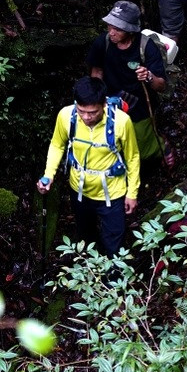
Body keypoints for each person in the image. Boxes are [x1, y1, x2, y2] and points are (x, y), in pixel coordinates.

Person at [37, 76, 140, 258]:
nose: (86, 117)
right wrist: (49, 175)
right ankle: (91, 274)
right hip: (79, 189)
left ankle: (114, 280)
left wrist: (132, 193)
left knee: (114, 241)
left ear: (104, 104)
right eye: (82, 111)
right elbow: (57, 145)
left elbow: (132, 157)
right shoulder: (66, 116)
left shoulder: (121, 122)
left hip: (113, 192)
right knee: (86, 236)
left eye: (92, 112)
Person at [87, 0, 175, 167]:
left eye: (117, 29)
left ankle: (161, 147)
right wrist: (96, 98)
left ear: (130, 31)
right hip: (110, 100)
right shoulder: (102, 43)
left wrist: (148, 76)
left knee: (143, 149)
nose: (111, 32)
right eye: (110, 26)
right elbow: (97, 71)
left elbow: (161, 85)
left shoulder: (146, 47)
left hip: (139, 104)